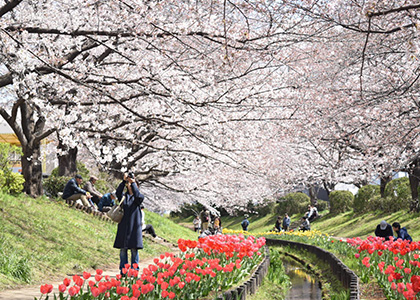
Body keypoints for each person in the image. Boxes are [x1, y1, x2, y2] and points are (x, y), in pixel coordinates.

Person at [113, 172, 144, 275]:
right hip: (124, 226)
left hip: (134, 226)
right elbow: (117, 192)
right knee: (123, 250)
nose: (130, 185)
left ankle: (134, 271)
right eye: (129, 184)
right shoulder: (124, 197)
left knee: (134, 250)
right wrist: (124, 181)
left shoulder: (137, 198)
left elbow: (139, 196)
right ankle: (123, 270)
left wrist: (133, 183)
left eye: (133, 185)